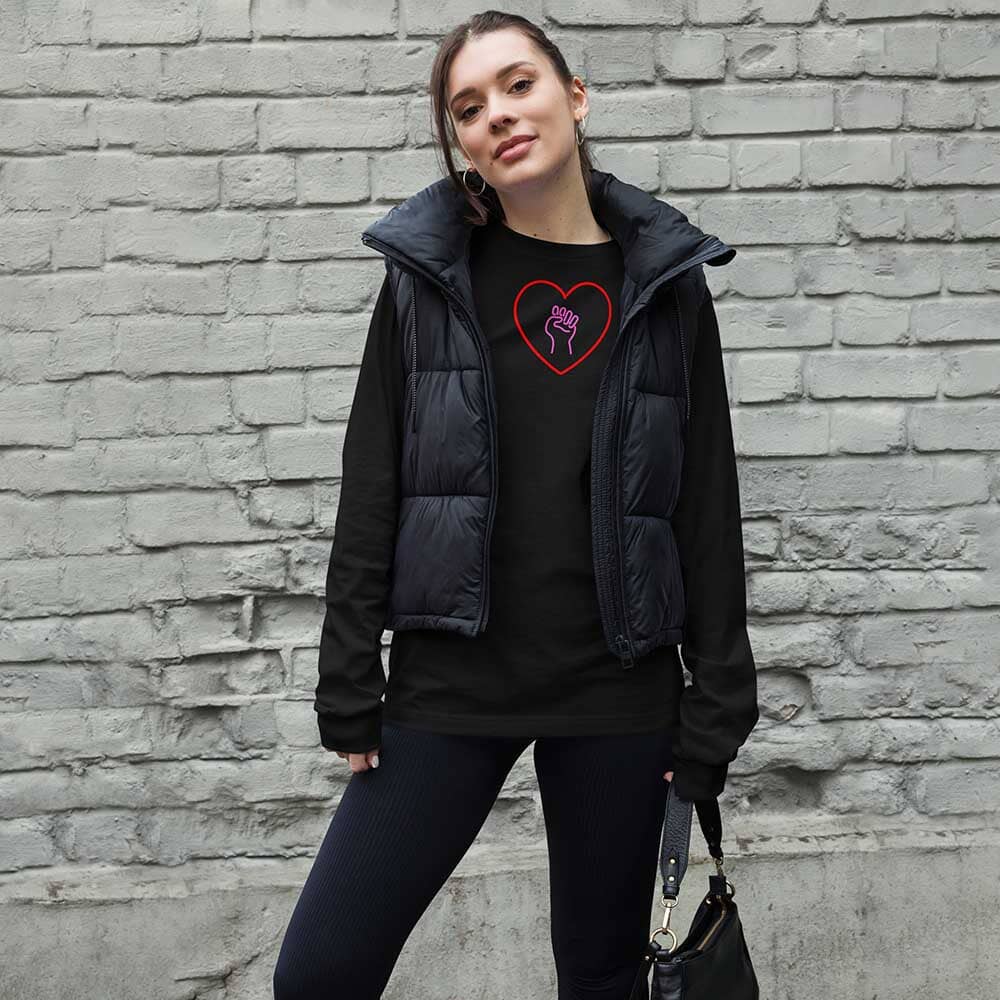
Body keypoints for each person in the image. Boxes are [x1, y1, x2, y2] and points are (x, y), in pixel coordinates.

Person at [273, 11, 759, 1000]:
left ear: (574, 97)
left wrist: (717, 704)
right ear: (460, 142)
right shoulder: (426, 280)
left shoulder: (664, 286)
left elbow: (706, 504)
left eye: (518, 84)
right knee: (320, 973)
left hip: (618, 691)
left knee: (600, 978)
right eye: (467, 107)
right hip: (452, 683)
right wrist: (347, 672)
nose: (496, 113)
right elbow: (374, 482)